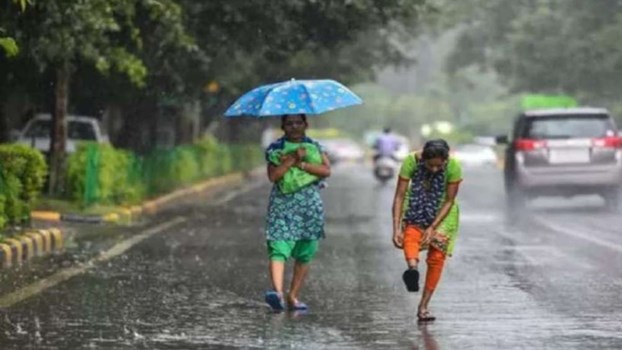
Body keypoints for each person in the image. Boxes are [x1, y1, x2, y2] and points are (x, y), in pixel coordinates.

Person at [263, 114, 331, 312]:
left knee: (305, 252)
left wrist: (302, 164)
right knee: (278, 246)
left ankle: (293, 296)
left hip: (309, 206)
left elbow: (326, 171)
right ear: (283, 126)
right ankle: (278, 293)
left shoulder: (316, 147)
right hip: (282, 205)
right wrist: (291, 159)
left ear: (306, 125)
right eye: (289, 123)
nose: (294, 126)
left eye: (298, 123)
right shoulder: (275, 149)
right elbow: (273, 176)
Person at [391, 139, 462, 322]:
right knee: (410, 236)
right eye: (430, 165)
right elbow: (399, 196)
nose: (434, 170)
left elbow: (449, 200)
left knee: (437, 258)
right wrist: (396, 227)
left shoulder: (454, 166)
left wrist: (432, 227)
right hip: (416, 204)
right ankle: (412, 269)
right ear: (423, 158)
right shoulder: (410, 162)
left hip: (443, 212)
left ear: (446, 160)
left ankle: (423, 306)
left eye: (439, 166)